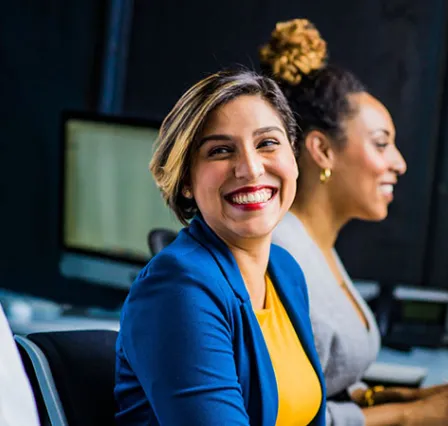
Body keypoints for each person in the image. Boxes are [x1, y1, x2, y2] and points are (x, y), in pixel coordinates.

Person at [263, 19, 448, 426]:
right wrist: (410, 414)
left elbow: (323, 379)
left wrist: (399, 395)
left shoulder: (318, 247)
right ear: (321, 150)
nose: (399, 163)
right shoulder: (282, 256)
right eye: (381, 144)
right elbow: (286, 414)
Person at [114, 69, 326, 426]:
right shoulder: (178, 287)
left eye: (267, 143)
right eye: (221, 151)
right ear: (185, 181)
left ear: (292, 154)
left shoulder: (285, 271)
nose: (250, 168)